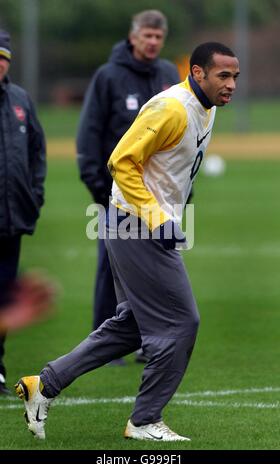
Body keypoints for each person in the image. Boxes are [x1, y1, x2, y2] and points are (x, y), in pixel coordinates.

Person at [15, 42, 239, 441]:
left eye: (235, 76)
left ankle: (44, 384)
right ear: (198, 73)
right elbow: (120, 161)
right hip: (134, 224)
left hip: (145, 223)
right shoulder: (172, 107)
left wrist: (173, 211)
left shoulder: (208, 107)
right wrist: (158, 219)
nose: (231, 84)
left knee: (133, 325)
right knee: (182, 322)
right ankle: (145, 420)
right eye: (224, 75)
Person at [76, 10, 180, 364]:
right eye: (146, 36)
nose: (152, 42)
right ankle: (106, 344)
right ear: (133, 37)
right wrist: (97, 187)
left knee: (160, 265)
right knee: (111, 268)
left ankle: (150, 338)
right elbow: (89, 133)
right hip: (117, 195)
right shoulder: (108, 77)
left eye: (158, 37)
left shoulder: (168, 74)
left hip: (162, 199)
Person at [0, 30, 46, 395]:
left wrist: (35, 197)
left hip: (12, 219)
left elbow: (36, 153)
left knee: (4, 294)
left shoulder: (19, 100)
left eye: (3, 58)